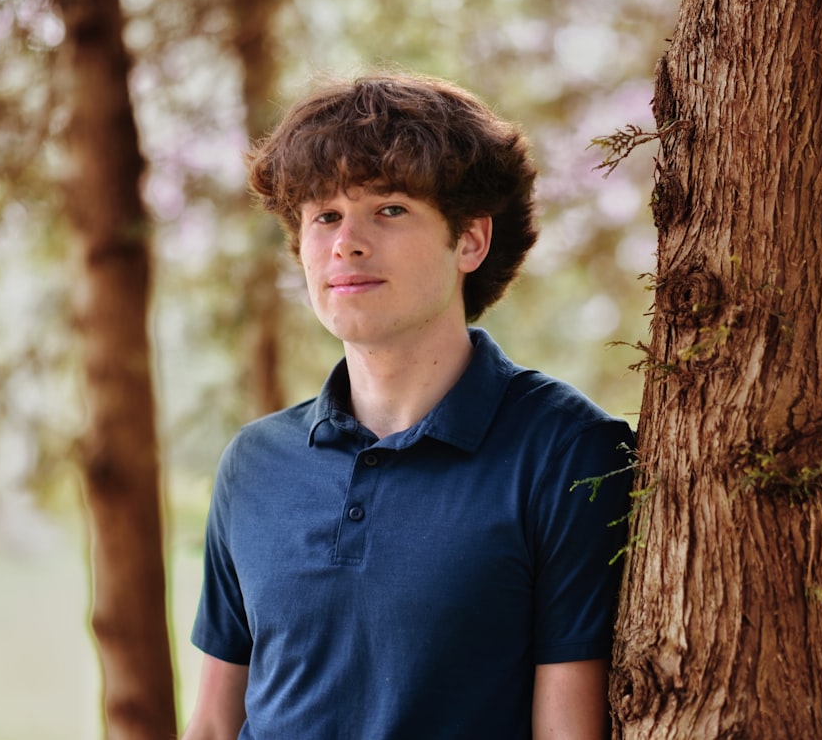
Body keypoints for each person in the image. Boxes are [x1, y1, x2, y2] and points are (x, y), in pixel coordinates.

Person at [183, 71, 635, 740]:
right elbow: (216, 725)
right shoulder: (254, 463)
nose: (347, 242)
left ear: (471, 241)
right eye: (325, 216)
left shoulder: (570, 453)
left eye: (389, 209)